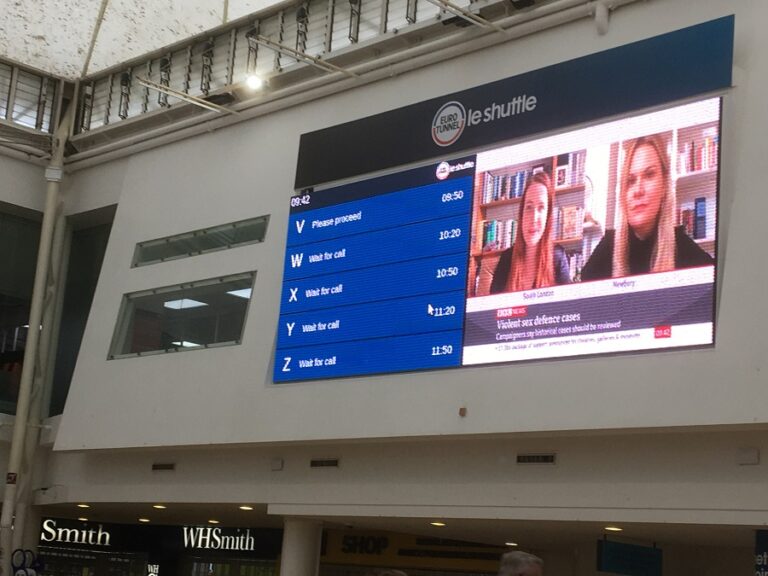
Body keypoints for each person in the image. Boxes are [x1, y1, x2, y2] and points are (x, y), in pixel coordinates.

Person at [581, 133, 713, 280]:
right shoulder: (607, 249)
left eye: (649, 175)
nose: (638, 190)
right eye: (630, 181)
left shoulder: (684, 250)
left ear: (664, 185)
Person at [489, 171, 570, 294]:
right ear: (521, 215)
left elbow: (569, 307)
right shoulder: (506, 259)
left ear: (548, 216)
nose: (533, 218)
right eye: (529, 207)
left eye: (541, 208)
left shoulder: (558, 257)